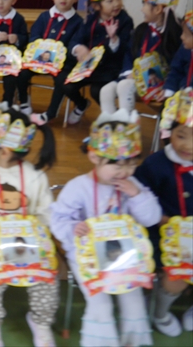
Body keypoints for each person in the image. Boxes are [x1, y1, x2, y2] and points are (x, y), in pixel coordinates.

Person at [51, 108, 162, 347]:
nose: (124, 171)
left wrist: (137, 195)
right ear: (94, 157)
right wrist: (73, 228)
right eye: (117, 165)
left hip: (125, 255)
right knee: (100, 302)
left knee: (133, 300)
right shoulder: (78, 187)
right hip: (87, 256)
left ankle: (133, 341)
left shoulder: (132, 184)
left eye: (131, 164)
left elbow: (151, 218)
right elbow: (58, 218)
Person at [0, 104, 58, 347]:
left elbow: (45, 211)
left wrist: (38, 233)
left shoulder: (35, 175)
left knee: (46, 271)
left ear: (5, 152)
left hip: (27, 238)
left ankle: (41, 321)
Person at [134, 88, 193, 337]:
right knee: (175, 276)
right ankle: (160, 312)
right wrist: (162, 219)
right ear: (169, 132)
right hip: (163, 233)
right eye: (181, 135)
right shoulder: (156, 164)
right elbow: (137, 199)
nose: (188, 145)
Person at [61, 0, 134, 125]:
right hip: (88, 67)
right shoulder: (91, 20)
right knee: (67, 86)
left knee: (97, 91)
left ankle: (114, 119)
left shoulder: (125, 21)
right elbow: (75, 40)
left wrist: (114, 39)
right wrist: (79, 48)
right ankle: (82, 104)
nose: (116, 4)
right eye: (110, 1)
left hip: (110, 69)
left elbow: (125, 51)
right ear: (96, 6)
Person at [100, 0, 181, 113]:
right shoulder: (141, 30)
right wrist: (128, 72)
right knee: (106, 91)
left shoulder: (175, 35)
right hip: (133, 77)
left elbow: (175, 66)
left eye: (145, 5)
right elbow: (129, 53)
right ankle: (111, 123)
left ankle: (125, 124)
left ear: (158, 9)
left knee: (124, 86)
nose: (141, 9)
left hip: (155, 83)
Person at [21, 0, 84, 119]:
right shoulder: (44, 17)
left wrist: (61, 55)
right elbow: (34, 36)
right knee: (21, 72)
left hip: (63, 64)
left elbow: (75, 44)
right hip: (39, 59)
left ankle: (52, 113)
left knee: (62, 80)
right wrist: (38, 47)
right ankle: (23, 101)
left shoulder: (78, 22)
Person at [163, 11, 193, 98]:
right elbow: (176, 70)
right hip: (182, 95)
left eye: (186, 34)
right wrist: (169, 89)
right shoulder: (184, 48)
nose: (181, 37)